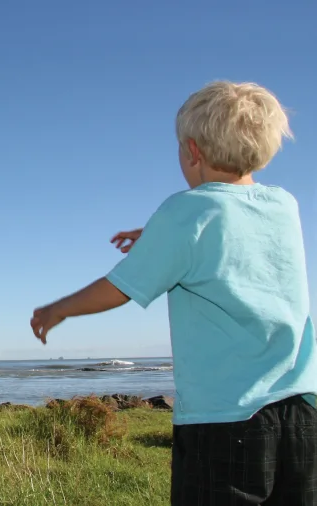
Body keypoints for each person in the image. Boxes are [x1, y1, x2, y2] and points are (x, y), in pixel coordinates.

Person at [30, 81, 316, 505]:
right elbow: (231, 235)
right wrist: (157, 237)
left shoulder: (185, 211)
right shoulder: (284, 205)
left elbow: (118, 288)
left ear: (192, 151)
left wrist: (58, 309)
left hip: (225, 420)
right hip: (304, 415)